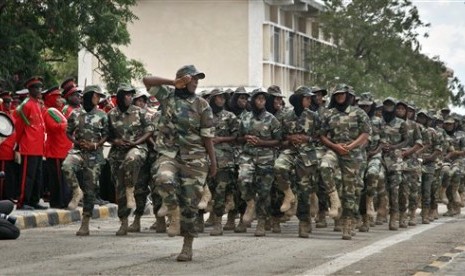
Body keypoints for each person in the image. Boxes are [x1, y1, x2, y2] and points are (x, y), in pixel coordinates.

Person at [143, 64, 217, 262]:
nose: (196, 82)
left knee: (190, 206)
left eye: (197, 79)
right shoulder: (168, 97)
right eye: (192, 78)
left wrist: (213, 162)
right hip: (170, 154)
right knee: (162, 178)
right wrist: (172, 82)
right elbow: (146, 80)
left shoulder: (202, 105)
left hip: (195, 159)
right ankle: (172, 211)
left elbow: (208, 137)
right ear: (183, 80)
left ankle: (187, 245)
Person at [319, 84, 371, 240]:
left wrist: (350, 146)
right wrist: (335, 146)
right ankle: (333, 197)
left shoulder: (359, 113)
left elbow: (365, 133)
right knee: (324, 166)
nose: (340, 97)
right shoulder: (329, 114)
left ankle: (348, 222)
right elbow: (322, 135)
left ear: (348, 96)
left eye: (342, 94)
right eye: (337, 95)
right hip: (334, 150)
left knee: (350, 190)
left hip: (353, 154)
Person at [107, 83, 154, 236]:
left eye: (130, 95)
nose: (129, 97)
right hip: (118, 154)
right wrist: (115, 142)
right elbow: (106, 135)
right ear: (120, 96)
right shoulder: (111, 114)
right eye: (126, 94)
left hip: (137, 150)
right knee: (120, 189)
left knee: (139, 188)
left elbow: (149, 131)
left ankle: (138, 219)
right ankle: (124, 222)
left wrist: (136, 142)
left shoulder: (140, 113)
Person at [274, 86, 320, 238]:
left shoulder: (314, 116)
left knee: (304, 188)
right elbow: (279, 137)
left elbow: (321, 137)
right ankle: (288, 194)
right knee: (278, 166)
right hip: (290, 150)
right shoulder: (286, 115)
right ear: (299, 100)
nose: (309, 100)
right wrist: (290, 138)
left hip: (307, 154)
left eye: (309, 98)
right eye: (306, 98)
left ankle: (304, 221)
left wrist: (308, 139)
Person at [62, 85, 108, 235]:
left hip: (94, 154)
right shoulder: (76, 114)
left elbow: (107, 134)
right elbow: (68, 132)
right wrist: (76, 142)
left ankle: (85, 223)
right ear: (89, 96)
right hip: (79, 151)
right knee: (67, 166)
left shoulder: (102, 115)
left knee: (90, 189)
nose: (98, 98)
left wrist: (96, 144)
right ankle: (76, 191)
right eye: (96, 95)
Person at [237, 88, 281, 237]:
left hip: (266, 158)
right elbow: (239, 137)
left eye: (263, 99)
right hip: (247, 156)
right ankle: (250, 202)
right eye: (258, 98)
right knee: (243, 180)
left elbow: (278, 140)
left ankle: (261, 221)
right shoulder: (245, 117)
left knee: (264, 191)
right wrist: (246, 139)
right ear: (253, 101)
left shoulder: (271, 119)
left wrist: (262, 142)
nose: (261, 101)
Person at [206, 88, 239, 236]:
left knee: (220, 189)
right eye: (218, 98)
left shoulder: (229, 116)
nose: (221, 100)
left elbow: (237, 136)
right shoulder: (204, 116)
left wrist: (221, 139)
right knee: (203, 188)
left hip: (224, 158)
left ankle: (218, 222)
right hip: (204, 157)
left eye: (223, 98)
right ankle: (199, 219)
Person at [15, 76, 47, 210]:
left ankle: (34, 200)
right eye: (37, 88)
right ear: (30, 89)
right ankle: (23, 202)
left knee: (37, 176)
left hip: (38, 146)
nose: (40, 90)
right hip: (29, 146)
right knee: (27, 176)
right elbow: (19, 128)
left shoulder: (37, 104)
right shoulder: (25, 105)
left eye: (40, 87)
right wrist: (17, 145)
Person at [42, 86, 70, 208]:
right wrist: (66, 125)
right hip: (55, 151)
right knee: (57, 179)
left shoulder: (58, 111)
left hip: (62, 150)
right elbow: (53, 127)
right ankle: (58, 202)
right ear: (51, 99)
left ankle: (63, 200)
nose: (60, 99)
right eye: (57, 97)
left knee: (63, 178)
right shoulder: (50, 111)